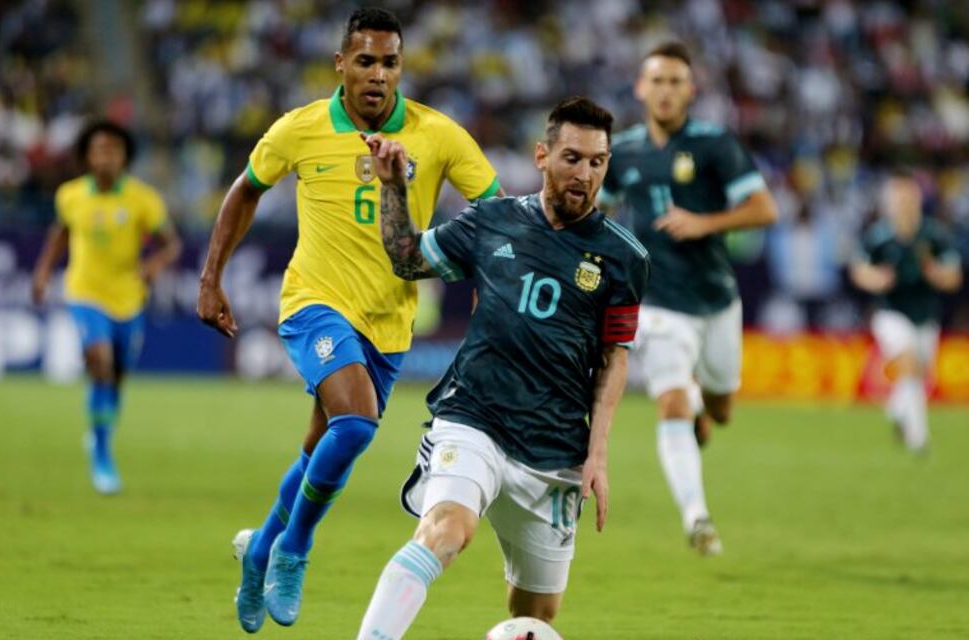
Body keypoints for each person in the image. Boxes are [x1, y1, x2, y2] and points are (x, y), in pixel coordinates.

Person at [195, 7, 502, 633]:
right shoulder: (300, 128)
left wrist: (489, 287)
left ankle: (258, 549)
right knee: (357, 423)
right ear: (341, 64)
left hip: (390, 322)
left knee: (321, 447)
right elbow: (245, 188)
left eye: (390, 62)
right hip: (314, 300)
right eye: (365, 60)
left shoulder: (438, 135)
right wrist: (211, 277)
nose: (378, 74)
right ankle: (294, 549)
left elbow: (496, 214)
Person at [356, 96, 649, 638]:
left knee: (534, 616)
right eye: (572, 158)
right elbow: (406, 256)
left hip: (555, 445)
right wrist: (392, 185)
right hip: (475, 416)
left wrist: (598, 454)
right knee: (446, 530)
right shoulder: (491, 221)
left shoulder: (625, 259)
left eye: (596, 162)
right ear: (541, 156)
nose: (584, 174)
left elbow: (614, 358)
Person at [597, 42, 777, 555]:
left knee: (721, 410)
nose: (666, 90)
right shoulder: (623, 151)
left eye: (676, 81)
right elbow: (599, 217)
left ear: (691, 91)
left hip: (717, 300)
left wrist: (705, 222)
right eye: (657, 80)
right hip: (656, 304)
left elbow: (765, 208)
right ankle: (698, 518)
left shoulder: (715, 143)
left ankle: (705, 404)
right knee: (670, 401)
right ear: (640, 88)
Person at [31, 120, 181, 495]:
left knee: (116, 377)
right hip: (84, 292)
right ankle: (101, 453)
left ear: (125, 157)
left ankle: (100, 426)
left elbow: (171, 244)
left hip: (128, 298)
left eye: (112, 150)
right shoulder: (70, 195)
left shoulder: (142, 199)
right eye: (98, 150)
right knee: (99, 361)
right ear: (86, 156)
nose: (105, 157)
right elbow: (60, 234)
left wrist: (151, 267)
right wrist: (43, 272)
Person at [850, 170, 962, 453]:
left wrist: (935, 273)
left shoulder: (934, 235)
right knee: (909, 362)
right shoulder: (878, 237)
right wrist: (877, 279)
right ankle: (918, 437)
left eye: (907, 196)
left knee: (919, 373)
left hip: (926, 313)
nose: (902, 203)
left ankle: (898, 410)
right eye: (897, 197)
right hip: (891, 312)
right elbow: (859, 270)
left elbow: (953, 276)